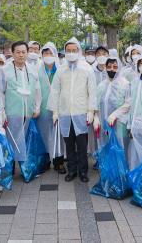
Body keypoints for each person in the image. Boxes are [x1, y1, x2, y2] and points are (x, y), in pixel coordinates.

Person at [47, 37, 97, 183]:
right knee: (69, 145)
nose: (71, 53)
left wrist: (91, 111)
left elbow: (92, 91)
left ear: (79, 51)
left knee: (82, 145)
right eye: (68, 51)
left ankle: (83, 171)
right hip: (65, 114)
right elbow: (55, 91)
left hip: (81, 113)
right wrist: (55, 111)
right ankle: (72, 170)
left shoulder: (87, 69)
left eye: (74, 50)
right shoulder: (61, 69)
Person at [0, 41, 42, 163]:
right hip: (12, 112)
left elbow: (37, 89)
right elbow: (0, 92)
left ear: (27, 53)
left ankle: (25, 168)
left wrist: (37, 107)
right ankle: (10, 167)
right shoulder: (5, 70)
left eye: (23, 52)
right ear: (12, 53)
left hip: (28, 112)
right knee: (11, 139)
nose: (21, 55)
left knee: (24, 140)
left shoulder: (32, 70)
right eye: (17, 52)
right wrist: (2, 112)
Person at [36, 42, 66, 174]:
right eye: (45, 53)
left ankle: (58, 161)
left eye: (50, 54)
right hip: (42, 108)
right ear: (41, 55)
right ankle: (46, 160)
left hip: (58, 108)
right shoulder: (37, 70)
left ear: (55, 55)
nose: (48, 56)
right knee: (43, 134)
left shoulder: (61, 70)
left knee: (58, 134)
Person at [94, 56, 131, 154]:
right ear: (105, 68)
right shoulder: (101, 85)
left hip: (119, 125)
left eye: (115, 67)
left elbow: (128, 103)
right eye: (109, 66)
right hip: (104, 125)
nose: (112, 69)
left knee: (120, 149)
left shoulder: (125, 84)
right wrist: (96, 117)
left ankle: (121, 169)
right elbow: (96, 104)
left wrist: (115, 114)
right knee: (106, 149)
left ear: (119, 68)